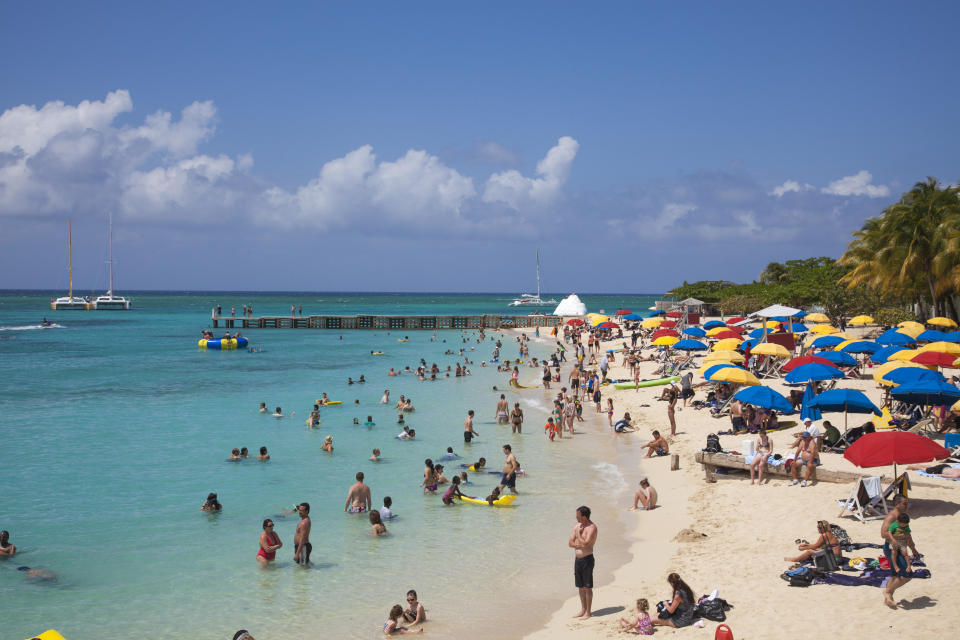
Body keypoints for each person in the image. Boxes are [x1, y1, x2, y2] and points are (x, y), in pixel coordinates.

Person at [882, 496, 918, 608]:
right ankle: (887, 591)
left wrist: (913, 549)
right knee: (907, 575)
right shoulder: (891, 517)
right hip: (891, 548)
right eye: (904, 503)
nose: (906, 506)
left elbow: (908, 535)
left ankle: (888, 599)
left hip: (900, 547)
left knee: (894, 574)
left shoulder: (903, 517)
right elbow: (883, 534)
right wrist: (899, 536)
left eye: (907, 503)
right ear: (897, 504)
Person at [569, 505, 598, 619]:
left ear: (584, 517)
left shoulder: (592, 528)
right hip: (578, 560)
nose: (576, 517)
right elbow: (570, 543)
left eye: (578, 515)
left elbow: (586, 543)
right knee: (580, 587)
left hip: (587, 560)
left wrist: (579, 534)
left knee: (587, 587)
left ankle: (588, 612)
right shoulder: (577, 526)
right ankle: (583, 609)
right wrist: (578, 543)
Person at [888, 513, 918, 585]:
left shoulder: (906, 525)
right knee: (894, 553)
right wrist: (893, 539)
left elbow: (908, 534)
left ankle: (909, 566)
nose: (904, 526)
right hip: (895, 541)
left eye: (905, 524)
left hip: (903, 542)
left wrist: (911, 546)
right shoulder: (894, 525)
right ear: (898, 521)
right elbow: (889, 532)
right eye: (903, 525)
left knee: (905, 554)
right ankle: (895, 566)